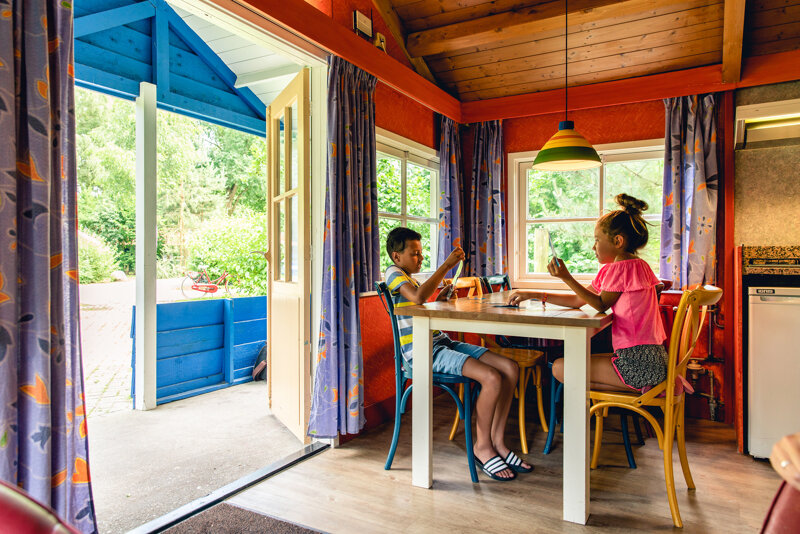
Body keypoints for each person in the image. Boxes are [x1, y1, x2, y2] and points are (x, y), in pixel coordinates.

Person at [384, 227, 531, 481]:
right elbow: (418, 297)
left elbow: (420, 304)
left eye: (421, 253)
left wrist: (440, 296)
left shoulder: (410, 277)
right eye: (414, 254)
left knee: (509, 368)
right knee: (492, 378)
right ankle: (482, 447)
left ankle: (498, 442)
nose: (420, 258)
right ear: (397, 256)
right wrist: (447, 265)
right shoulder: (394, 274)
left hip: (440, 341)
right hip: (422, 352)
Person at [507, 194, 667, 392]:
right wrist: (534, 294)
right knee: (571, 366)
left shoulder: (622, 266)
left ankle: (632, 393)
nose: (593, 247)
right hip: (653, 359)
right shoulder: (635, 265)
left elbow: (601, 304)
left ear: (618, 241)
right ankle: (610, 403)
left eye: (597, 240)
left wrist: (567, 277)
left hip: (638, 363)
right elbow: (577, 300)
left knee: (560, 367)